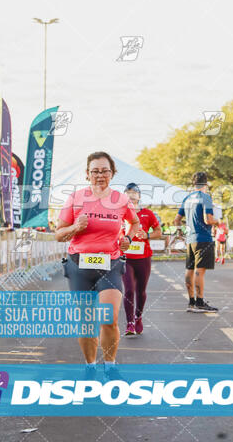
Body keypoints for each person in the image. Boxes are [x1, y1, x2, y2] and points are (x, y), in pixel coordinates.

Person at [56, 151, 140, 377]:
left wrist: (128, 239)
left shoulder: (121, 200)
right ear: (87, 174)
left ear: (112, 174)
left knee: (109, 318)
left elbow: (135, 223)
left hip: (110, 264)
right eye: (95, 171)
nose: (100, 175)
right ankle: (90, 366)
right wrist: (75, 228)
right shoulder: (75, 198)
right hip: (79, 265)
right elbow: (58, 234)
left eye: (105, 170)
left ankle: (110, 366)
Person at [174, 171, 220, 313]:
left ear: (194, 183)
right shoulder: (205, 197)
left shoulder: (187, 198)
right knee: (200, 271)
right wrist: (218, 222)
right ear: (206, 184)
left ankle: (191, 301)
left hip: (190, 239)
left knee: (189, 270)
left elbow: (176, 220)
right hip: (203, 238)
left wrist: (181, 233)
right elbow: (208, 220)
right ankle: (200, 302)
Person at [122, 183, 161, 335]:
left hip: (143, 257)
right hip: (126, 257)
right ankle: (130, 323)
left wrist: (148, 235)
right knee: (129, 290)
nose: (131, 195)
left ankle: (138, 316)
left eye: (134, 193)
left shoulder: (148, 213)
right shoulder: (120, 213)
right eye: (128, 192)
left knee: (141, 291)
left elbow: (159, 231)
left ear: (139, 196)